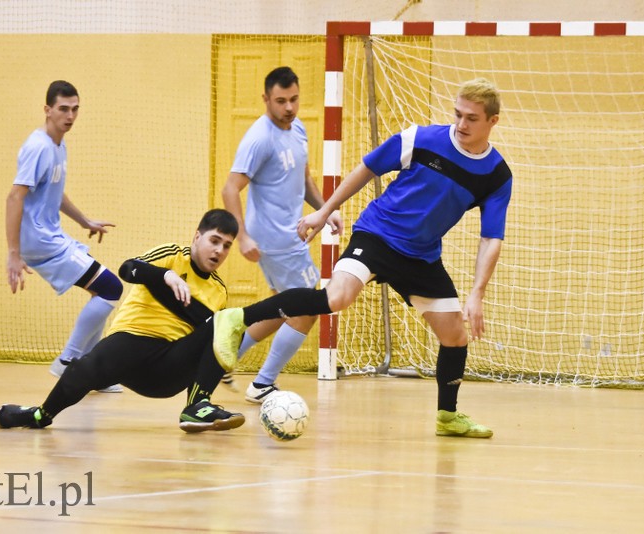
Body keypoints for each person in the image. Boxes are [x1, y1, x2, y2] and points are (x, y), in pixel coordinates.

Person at [214, 78, 512, 439]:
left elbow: (491, 237)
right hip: (377, 234)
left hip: (421, 256)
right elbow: (366, 169)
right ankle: (236, 318)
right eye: (457, 114)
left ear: (492, 122)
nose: (461, 125)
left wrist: (477, 292)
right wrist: (323, 212)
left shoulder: (496, 175)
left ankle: (448, 417)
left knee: (455, 336)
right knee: (337, 297)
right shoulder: (420, 139)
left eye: (472, 118)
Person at [0, 209, 246, 433]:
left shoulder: (219, 291)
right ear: (197, 236)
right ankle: (39, 415)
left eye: (226, 246)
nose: (219, 251)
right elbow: (128, 269)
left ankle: (197, 407)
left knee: (225, 323)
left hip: (169, 368)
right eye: (214, 241)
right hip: (132, 342)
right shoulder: (172, 255)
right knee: (82, 371)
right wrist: (166, 276)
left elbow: (207, 341)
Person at [220, 66, 342, 403]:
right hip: (277, 238)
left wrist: (325, 209)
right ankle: (263, 384)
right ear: (265, 99)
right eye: (280, 101)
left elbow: (304, 181)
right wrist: (242, 237)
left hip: (292, 234)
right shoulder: (259, 139)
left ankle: (223, 359)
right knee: (310, 308)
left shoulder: (298, 128)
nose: (288, 108)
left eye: (294, 100)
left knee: (282, 307)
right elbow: (230, 189)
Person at [5, 80, 123, 393]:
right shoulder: (38, 147)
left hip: (51, 236)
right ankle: (70, 361)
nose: (70, 116)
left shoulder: (59, 144)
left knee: (104, 291)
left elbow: (54, 192)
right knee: (111, 287)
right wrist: (13, 254)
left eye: (75, 109)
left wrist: (85, 220)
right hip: (39, 242)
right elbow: (14, 197)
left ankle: (91, 371)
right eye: (63, 109)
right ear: (47, 109)